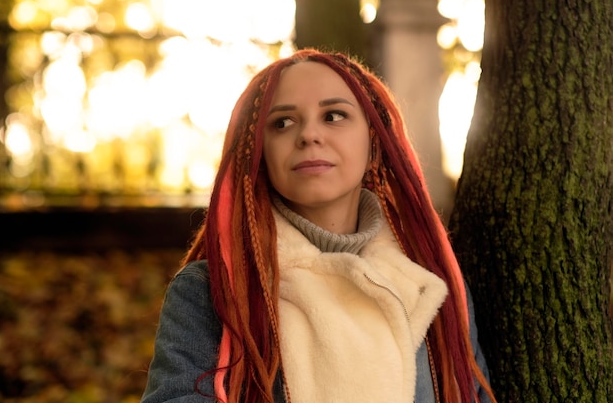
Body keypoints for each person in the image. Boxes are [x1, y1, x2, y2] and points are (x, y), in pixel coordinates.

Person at [141, 48, 496, 403]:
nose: (309, 135)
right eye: (282, 122)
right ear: (259, 153)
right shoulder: (214, 292)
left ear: (374, 145)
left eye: (334, 115)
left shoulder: (435, 287)